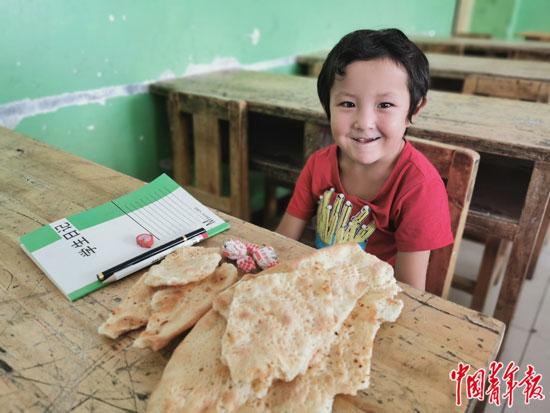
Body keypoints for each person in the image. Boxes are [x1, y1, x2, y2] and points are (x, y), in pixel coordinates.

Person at [276, 28, 453, 291]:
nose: (364, 123)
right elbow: (281, 244)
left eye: (385, 105)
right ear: (327, 107)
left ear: (414, 109)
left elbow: (409, 291)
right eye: (347, 104)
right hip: (320, 289)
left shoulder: (420, 187)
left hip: (376, 299)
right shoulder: (319, 165)